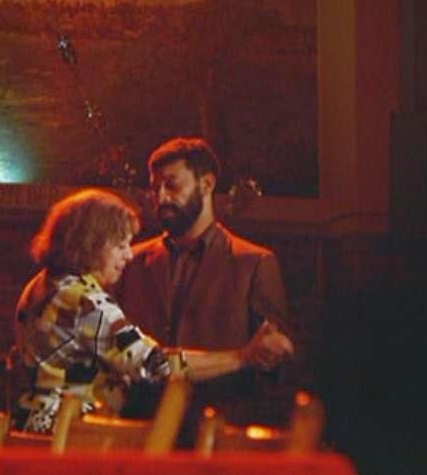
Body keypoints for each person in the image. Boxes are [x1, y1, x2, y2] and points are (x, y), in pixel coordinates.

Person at [11, 188, 292, 435]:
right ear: (92, 242)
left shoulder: (39, 286)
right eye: (120, 245)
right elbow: (155, 365)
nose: (129, 255)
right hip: (73, 438)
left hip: (29, 430)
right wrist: (242, 357)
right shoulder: (87, 302)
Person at [113, 137, 294, 429]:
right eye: (155, 188)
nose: (161, 198)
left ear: (207, 184)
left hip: (215, 429)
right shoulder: (130, 261)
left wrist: (270, 353)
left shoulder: (253, 263)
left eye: (172, 185)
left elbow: (273, 367)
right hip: (139, 429)